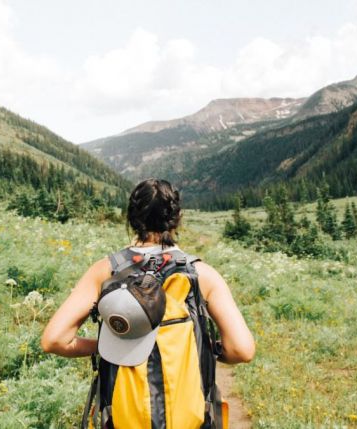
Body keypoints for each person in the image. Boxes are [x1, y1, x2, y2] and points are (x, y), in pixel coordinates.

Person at [40, 178, 255, 426]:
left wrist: (109, 347)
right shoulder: (202, 274)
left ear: (131, 218)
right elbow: (242, 349)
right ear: (177, 218)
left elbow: (54, 340)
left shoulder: (105, 271)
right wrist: (205, 349)